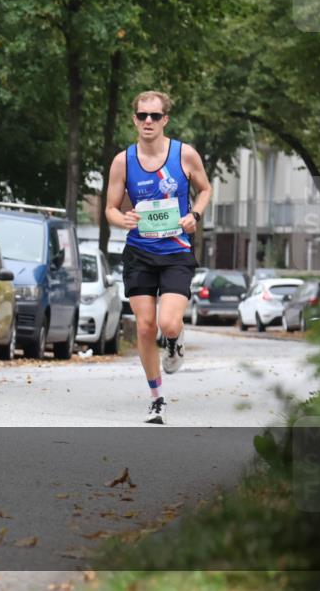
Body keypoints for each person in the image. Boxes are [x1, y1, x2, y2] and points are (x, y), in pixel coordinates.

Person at [104, 91, 212, 424]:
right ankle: (157, 398)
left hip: (176, 250)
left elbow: (205, 189)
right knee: (147, 326)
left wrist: (194, 213)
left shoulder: (185, 154)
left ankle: (176, 341)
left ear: (165, 119)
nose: (147, 121)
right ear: (134, 119)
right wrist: (120, 218)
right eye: (141, 116)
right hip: (139, 252)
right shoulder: (124, 161)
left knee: (168, 323)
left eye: (153, 116)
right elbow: (110, 207)